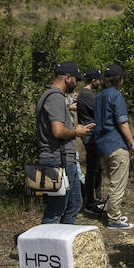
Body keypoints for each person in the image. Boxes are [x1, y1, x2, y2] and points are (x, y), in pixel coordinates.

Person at [36, 61, 95, 225]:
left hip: (64, 160)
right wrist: (76, 132)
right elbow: (58, 131)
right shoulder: (54, 97)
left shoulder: (53, 96)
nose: (76, 84)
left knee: (74, 203)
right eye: (75, 79)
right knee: (56, 208)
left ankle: (63, 243)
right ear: (67, 77)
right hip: (57, 160)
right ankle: (46, 243)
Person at [93, 63, 134, 229]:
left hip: (102, 144)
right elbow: (122, 122)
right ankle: (114, 219)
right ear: (119, 80)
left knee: (111, 181)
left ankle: (113, 214)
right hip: (116, 143)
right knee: (117, 184)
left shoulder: (99, 96)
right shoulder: (116, 96)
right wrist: (132, 143)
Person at [78, 68, 104, 215]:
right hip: (91, 136)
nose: (100, 81)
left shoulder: (85, 94)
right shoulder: (87, 95)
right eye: (98, 79)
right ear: (93, 80)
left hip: (93, 136)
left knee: (97, 168)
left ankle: (94, 198)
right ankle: (89, 202)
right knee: (92, 169)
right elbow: (99, 111)